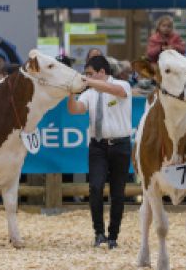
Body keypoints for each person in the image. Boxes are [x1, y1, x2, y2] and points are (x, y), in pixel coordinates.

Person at [67, 55, 132, 250]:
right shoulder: (89, 93)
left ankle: (113, 235)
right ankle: (99, 233)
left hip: (120, 145)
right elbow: (75, 109)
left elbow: (117, 91)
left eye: (90, 73)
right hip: (98, 146)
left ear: (102, 72)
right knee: (95, 188)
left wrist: (88, 82)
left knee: (118, 192)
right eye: (86, 74)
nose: (86, 77)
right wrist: (71, 93)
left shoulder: (122, 84)